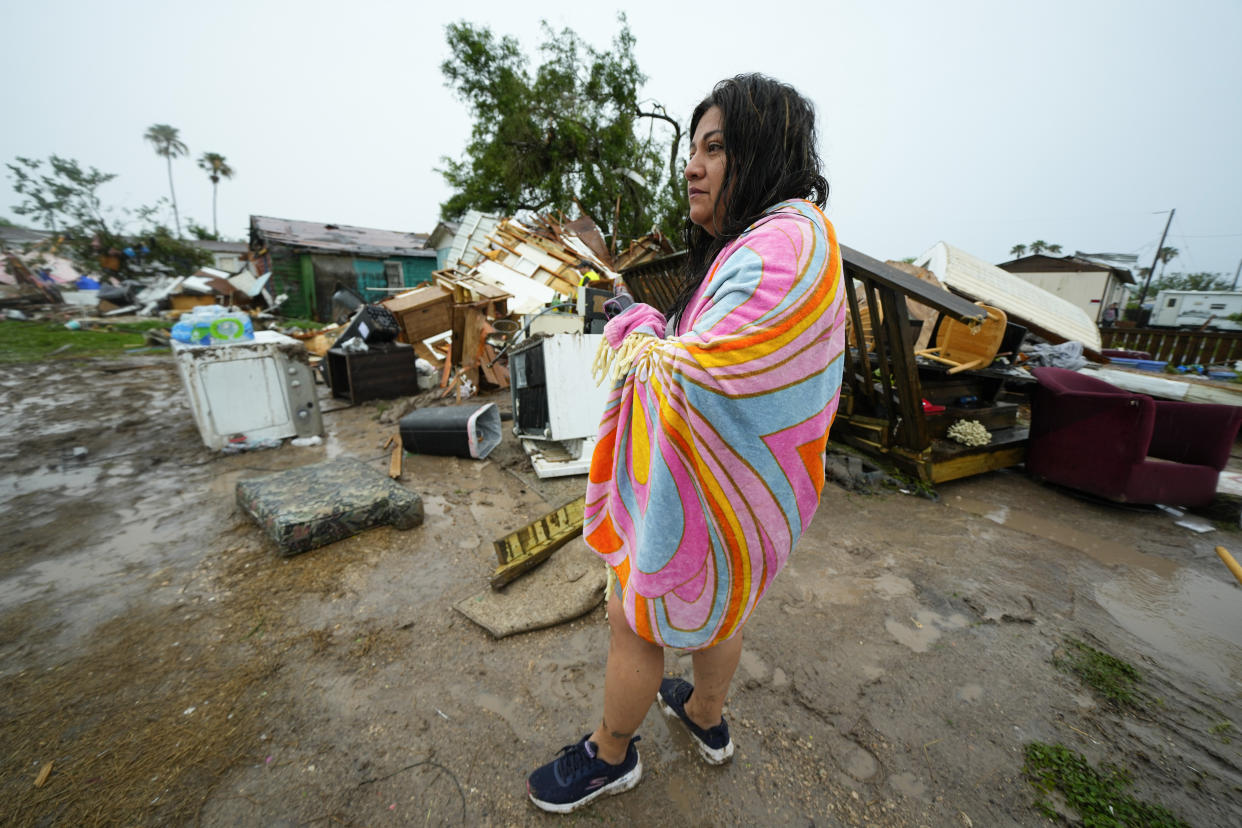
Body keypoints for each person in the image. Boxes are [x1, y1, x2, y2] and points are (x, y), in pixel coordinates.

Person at [526, 73, 846, 814]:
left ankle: (609, 755)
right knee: (723, 608)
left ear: (761, 152)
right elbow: (720, 353)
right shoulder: (782, 239)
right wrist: (655, 323)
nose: (692, 166)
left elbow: (698, 371)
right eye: (690, 149)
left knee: (633, 618)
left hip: (707, 493)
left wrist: (636, 326)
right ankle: (703, 716)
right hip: (741, 490)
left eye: (714, 148)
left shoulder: (782, 242)